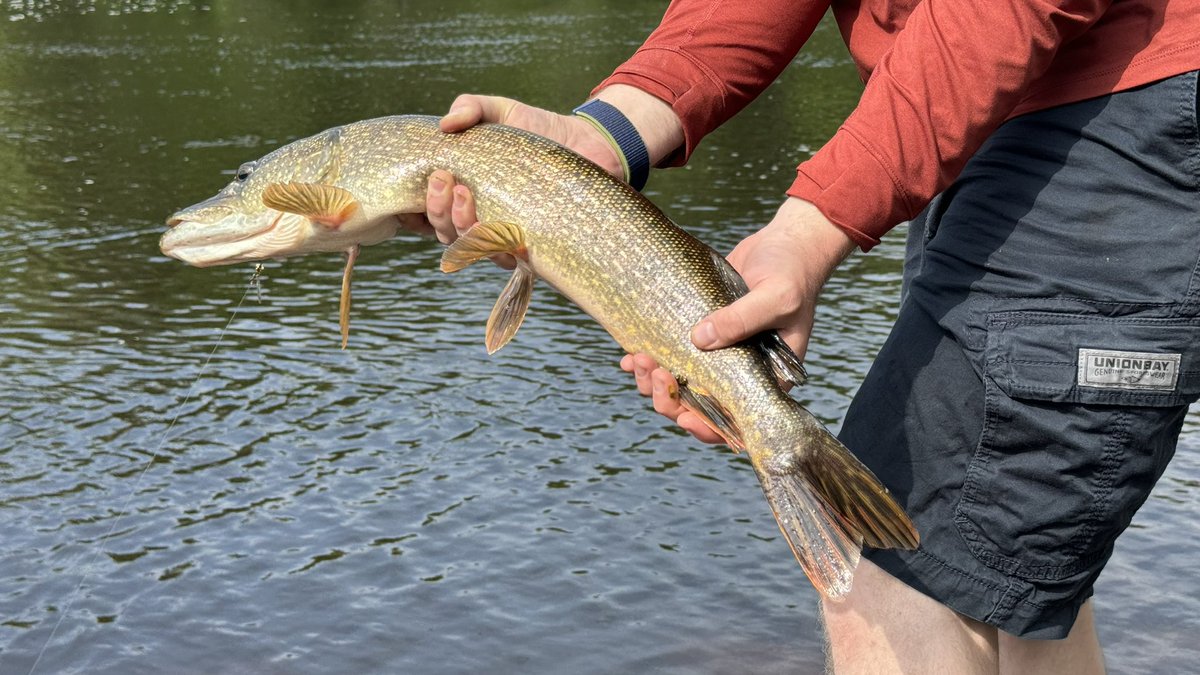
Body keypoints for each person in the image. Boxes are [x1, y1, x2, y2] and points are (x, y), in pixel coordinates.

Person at [408, 2, 1200, 672]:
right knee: (1011, 585)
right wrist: (609, 133)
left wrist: (814, 225)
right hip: (983, 116)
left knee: (894, 569)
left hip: (1110, 100)